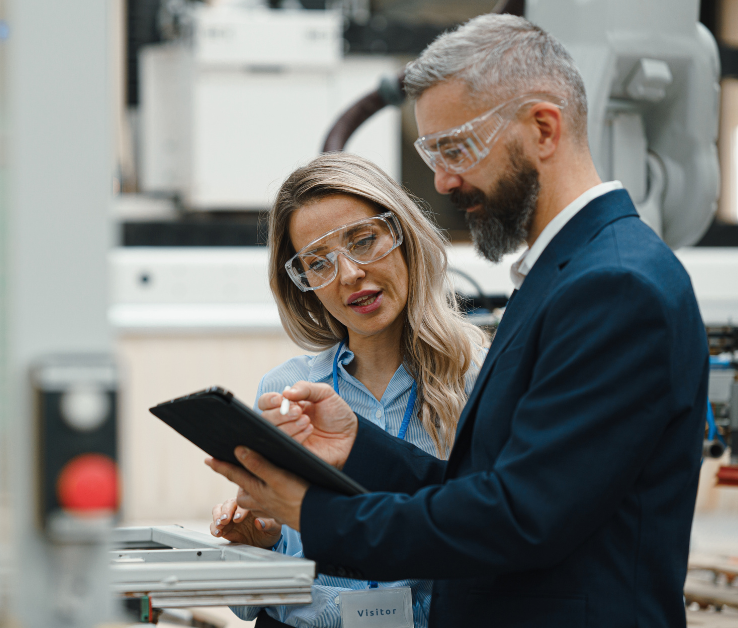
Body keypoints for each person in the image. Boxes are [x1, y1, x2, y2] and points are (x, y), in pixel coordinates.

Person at [206, 14, 709, 628]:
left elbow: (519, 516)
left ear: (543, 129)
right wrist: (358, 446)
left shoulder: (614, 284)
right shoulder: (566, 273)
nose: (443, 181)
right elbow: (489, 486)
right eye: (431, 153)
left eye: (454, 149)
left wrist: (313, 513)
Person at [209, 152, 486, 628]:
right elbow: (246, 605)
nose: (349, 274)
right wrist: (262, 547)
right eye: (318, 263)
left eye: (363, 241)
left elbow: (492, 546)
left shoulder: (476, 378)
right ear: (303, 286)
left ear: (403, 236)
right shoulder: (287, 390)